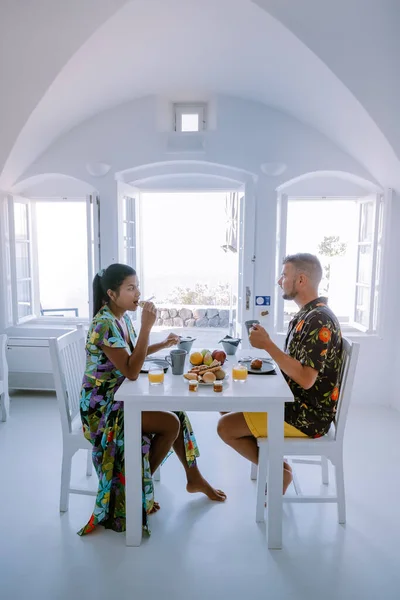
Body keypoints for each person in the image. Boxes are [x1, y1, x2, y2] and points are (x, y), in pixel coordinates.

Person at [78, 263, 226, 536]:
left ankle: (193, 478)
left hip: (121, 396)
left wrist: (163, 343)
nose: (138, 292)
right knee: (170, 424)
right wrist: (147, 326)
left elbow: (132, 354)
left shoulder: (119, 317)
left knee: (177, 412)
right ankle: (135, 493)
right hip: (103, 408)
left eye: (138, 286)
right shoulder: (104, 324)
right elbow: (132, 371)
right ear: (112, 293)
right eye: (130, 288)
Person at [217, 253, 343, 494]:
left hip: (307, 415)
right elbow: (294, 367)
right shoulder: (307, 314)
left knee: (225, 426)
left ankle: (278, 470)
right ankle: (276, 463)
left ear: (302, 280)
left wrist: (267, 345)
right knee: (227, 405)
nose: (279, 281)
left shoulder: (318, 320)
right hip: (291, 402)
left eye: (284, 275)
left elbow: (306, 379)